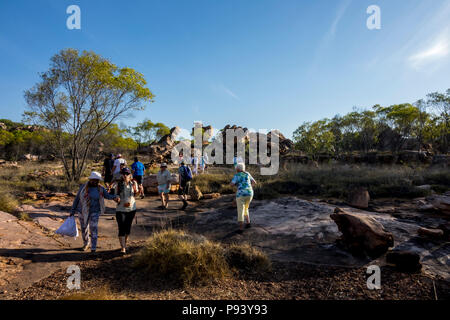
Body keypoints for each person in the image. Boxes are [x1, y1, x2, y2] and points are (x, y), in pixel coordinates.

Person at [70, 171, 120, 252]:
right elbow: (77, 199)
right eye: (94, 180)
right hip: (82, 211)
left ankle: (93, 247)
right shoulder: (83, 187)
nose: (95, 182)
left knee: (94, 228)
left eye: (97, 180)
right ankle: (86, 244)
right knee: (84, 228)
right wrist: (72, 210)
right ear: (90, 179)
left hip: (95, 211)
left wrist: (115, 197)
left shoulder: (100, 188)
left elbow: (107, 196)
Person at [111, 167, 139, 254]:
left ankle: (124, 243)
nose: (125, 175)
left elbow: (136, 195)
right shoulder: (118, 184)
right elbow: (114, 196)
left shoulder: (134, 183)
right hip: (120, 209)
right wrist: (116, 199)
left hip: (131, 209)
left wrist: (139, 192)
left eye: (127, 174)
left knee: (128, 229)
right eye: (124, 174)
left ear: (130, 175)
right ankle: (123, 248)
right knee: (121, 228)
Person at [230, 163, 256, 234]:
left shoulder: (237, 175)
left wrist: (235, 184)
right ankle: (248, 223)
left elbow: (231, 184)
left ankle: (240, 228)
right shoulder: (247, 173)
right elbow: (254, 182)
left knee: (240, 210)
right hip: (250, 193)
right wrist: (249, 188)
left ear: (237, 169)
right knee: (246, 208)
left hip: (241, 194)